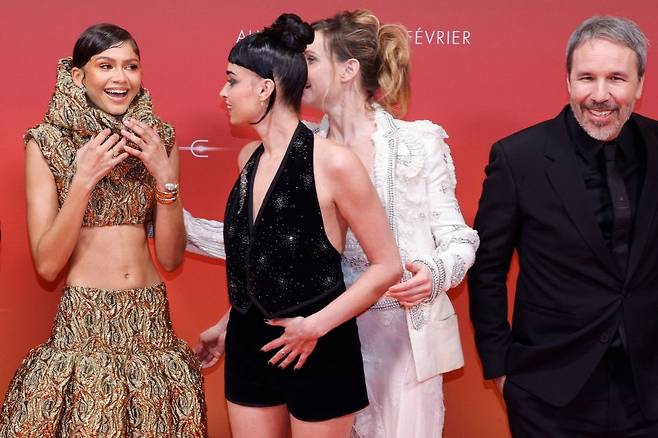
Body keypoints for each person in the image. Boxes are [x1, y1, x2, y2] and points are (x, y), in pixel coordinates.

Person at [188, 9, 478, 438]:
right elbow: (277, 254)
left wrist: (434, 274)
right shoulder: (296, 147)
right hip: (320, 331)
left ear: (348, 70)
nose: (295, 67)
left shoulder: (418, 143)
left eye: (309, 59)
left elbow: (457, 238)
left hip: (398, 335)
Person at [0, 24, 206, 436]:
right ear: (79, 76)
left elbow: (170, 258)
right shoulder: (46, 142)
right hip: (84, 326)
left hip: (151, 324)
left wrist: (165, 177)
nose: (121, 78)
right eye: (106, 66)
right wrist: (82, 180)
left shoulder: (158, 138)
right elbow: (47, 265)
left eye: (131, 66)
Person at [207, 13, 401, 438]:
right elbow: (266, 258)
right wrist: (228, 322)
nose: (223, 92)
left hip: (318, 348)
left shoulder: (334, 163)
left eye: (231, 80)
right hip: (247, 346)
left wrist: (314, 326)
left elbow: (387, 266)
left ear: (265, 88)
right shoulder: (247, 161)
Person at [468, 15, 658, 437]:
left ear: (640, 85)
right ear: (568, 81)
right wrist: (501, 368)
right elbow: (487, 271)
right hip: (550, 391)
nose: (600, 95)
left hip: (648, 389)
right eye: (587, 77)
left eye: (617, 78)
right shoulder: (520, 158)